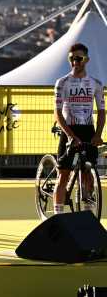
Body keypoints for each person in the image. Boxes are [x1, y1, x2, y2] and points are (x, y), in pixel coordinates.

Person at [53, 43, 104, 213]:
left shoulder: (96, 84)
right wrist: (69, 135)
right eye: (72, 58)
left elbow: (102, 112)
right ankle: (58, 214)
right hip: (69, 129)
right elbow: (58, 114)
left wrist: (98, 135)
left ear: (86, 60)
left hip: (88, 129)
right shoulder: (62, 83)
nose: (75, 62)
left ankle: (88, 211)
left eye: (79, 58)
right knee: (64, 175)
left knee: (87, 173)